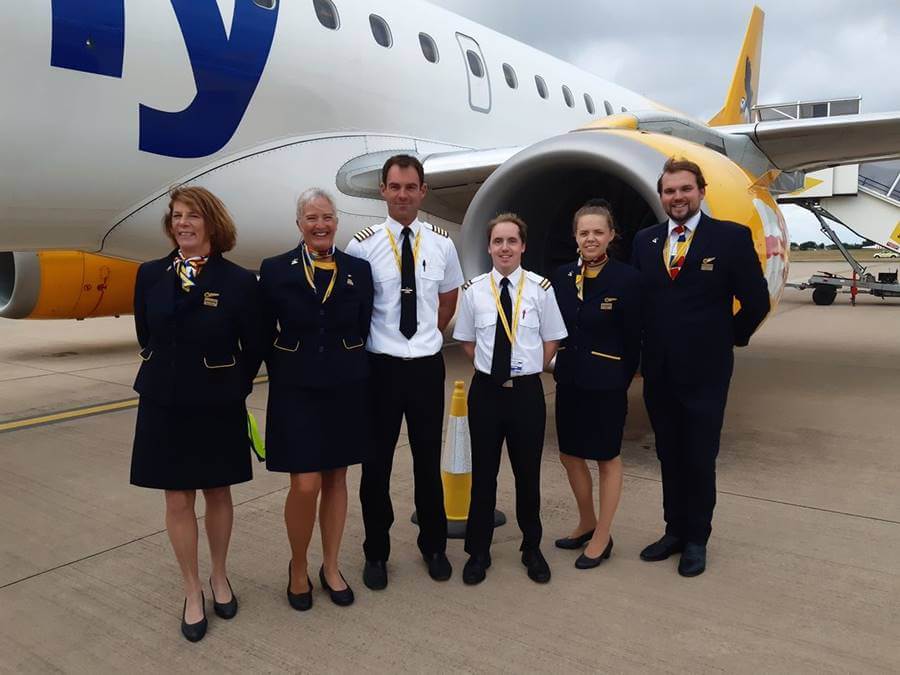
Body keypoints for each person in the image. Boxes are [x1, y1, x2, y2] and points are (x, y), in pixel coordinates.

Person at [130, 186, 264, 642]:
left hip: (216, 400)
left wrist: (231, 382)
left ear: (212, 223)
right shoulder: (149, 275)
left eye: (192, 216)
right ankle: (192, 589)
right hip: (163, 400)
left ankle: (219, 575)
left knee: (218, 492)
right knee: (177, 498)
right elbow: (146, 332)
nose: (182, 224)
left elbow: (256, 345)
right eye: (176, 216)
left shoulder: (240, 282)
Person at [631, 157, 770, 577]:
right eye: (670, 191)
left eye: (685, 189)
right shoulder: (645, 241)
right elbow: (638, 303)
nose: (677, 197)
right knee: (669, 454)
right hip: (659, 371)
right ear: (661, 196)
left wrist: (729, 337)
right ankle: (673, 530)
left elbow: (756, 301)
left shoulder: (729, 238)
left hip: (706, 372)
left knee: (699, 456)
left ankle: (696, 539)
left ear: (701, 191)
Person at [345, 154, 464, 590]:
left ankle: (433, 546)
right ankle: (376, 551)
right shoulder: (362, 245)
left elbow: (449, 295)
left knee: (426, 462)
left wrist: (429, 333)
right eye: (394, 187)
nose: (402, 194)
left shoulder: (442, 244)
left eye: (410, 187)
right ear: (383, 191)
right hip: (381, 367)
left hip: (426, 367)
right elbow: (357, 307)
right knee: (375, 466)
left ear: (422, 192)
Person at [259, 189, 374, 610]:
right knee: (305, 483)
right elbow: (261, 331)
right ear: (299, 224)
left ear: (336, 221)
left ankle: (329, 566)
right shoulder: (274, 271)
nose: (320, 224)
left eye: (326, 217)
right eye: (311, 218)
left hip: (345, 386)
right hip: (296, 389)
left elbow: (362, 324)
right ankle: (296, 565)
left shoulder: (358, 271)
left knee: (337, 479)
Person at [453, 213, 568, 585]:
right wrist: (492, 369)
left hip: (526, 394)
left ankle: (531, 548)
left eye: (512, 241)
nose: (505, 248)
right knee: (483, 475)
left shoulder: (540, 289)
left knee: (527, 475)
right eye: (498, 241)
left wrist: (527, 366)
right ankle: (478, 551)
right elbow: (468, 342)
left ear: (523, 246)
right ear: (489, 247)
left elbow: (552, 339)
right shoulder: (473, 291)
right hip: (486, 393)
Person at [551, 200, 641, 569]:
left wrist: (620, 379)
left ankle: (603, 535)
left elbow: (634, 339)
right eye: (584, 232)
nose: (591, 238)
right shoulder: (560, 277)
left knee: (606, 458)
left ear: (611, 235)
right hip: (570, 377)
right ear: (575, 237)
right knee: (570, 454)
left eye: (598, 232)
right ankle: (586, 520)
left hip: (606, 382)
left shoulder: (627, 279)